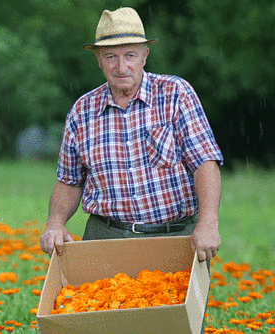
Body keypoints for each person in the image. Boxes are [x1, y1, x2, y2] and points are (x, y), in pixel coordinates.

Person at [39, 7, 223, 263]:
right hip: (106, 239)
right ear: (99, 60)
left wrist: (208, 223)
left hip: (175, 237)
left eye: (130, 55)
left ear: (145, 56)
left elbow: (205, 162)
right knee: (100, 304)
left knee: (175, 305)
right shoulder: (82, 111)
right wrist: (55, 223)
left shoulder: (176, 94)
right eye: (111, 56)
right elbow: (69, 180)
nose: (121, 66)